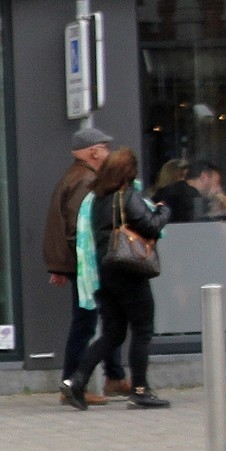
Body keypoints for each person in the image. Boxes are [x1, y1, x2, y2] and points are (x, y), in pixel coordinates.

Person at [62, 148, 169, 410]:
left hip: (105, 272)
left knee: (113, 333)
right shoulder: (126, 196)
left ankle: (77, 381)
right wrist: (164, 211)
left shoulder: (96, 199)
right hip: (129, 271)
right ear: (127, 173)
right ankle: (140, 390)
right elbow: (151, 225)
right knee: (142, 330)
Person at [42, 123, 125, 403]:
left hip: (81, 263)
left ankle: (114, 375)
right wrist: (77, 264)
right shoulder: (86, 181)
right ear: (93, 152)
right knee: (87, 322)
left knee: (109, 317)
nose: (108, 152)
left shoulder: (75, 176)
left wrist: (60, 266)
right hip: (88, 263)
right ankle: (72, 384)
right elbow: (79, 227)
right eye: (104, 148)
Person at [158, 159, 226, 223]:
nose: (218, 189)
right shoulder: (193, 199)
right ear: (204, 176)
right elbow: (203, 234)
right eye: (217, 183)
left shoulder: (166, 191)